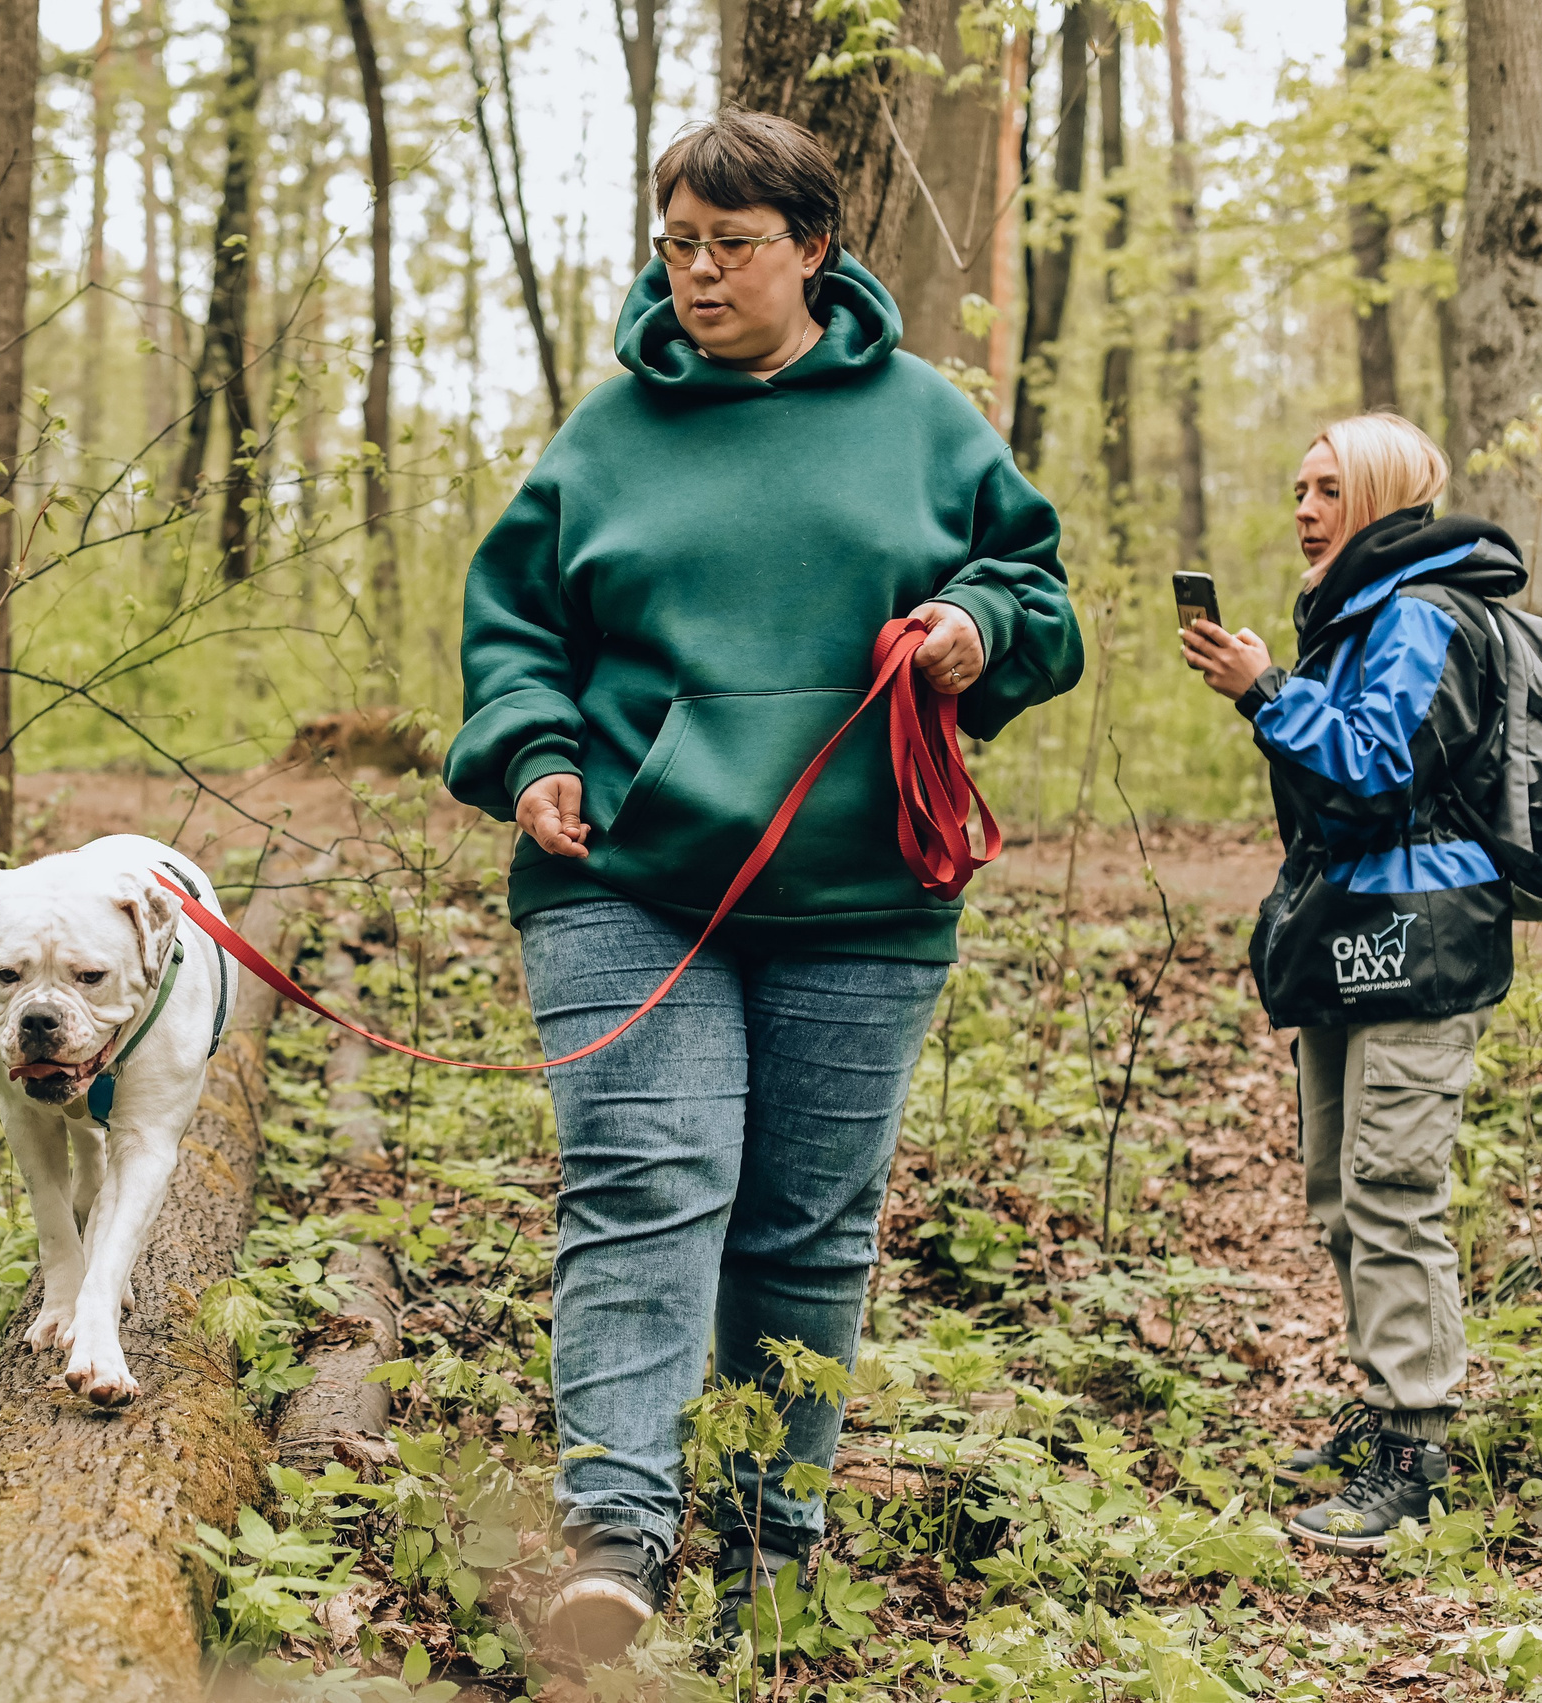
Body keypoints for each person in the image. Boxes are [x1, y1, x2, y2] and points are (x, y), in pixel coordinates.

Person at [443, 108, 1083, 1660]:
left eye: (732, 246)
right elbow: (516, 633)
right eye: (677, 244)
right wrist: (532, 750)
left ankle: (769, 1538)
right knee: (645, 1188)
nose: (699, 273)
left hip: (864, 893)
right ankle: (616, 1536)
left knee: (804, 1225)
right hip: (628, 879)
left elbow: (1040, 593)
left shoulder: (928, 421)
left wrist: (976, 630)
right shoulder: (605, 436)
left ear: (813, 250)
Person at [1181, 411, 1523, 1553]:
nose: (1304, 509)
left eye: (1328, 488)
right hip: (1354, 934)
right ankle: (1386, 1403)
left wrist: (1264, 689)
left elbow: (1377, 765)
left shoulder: (1423, 613)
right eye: (1296, 487)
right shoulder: (1358, 614)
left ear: (1377, 498)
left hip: (1424, 941)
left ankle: (1415, 1450)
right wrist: (1274, 689)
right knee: (1340, 1187)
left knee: (1389, 1187)